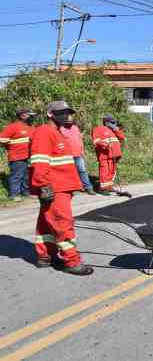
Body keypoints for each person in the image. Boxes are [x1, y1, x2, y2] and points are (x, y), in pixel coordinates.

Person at [30, 101, 93, 275]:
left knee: (45, 223)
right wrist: (43, 186)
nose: (66, 115)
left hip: (60, 187)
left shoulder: (56, 132)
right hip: (54, 188)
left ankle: (45, 256)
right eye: (62, 112)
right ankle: (71, 261)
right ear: (50, 114)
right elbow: (39, 162)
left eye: (68, 112)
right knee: (63, 224)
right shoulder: (44, 132)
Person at [0, 108, 36, 202]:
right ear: (22, 116)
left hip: (28, 156)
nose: (32, 117)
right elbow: (2, 139)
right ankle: (14, 194)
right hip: (17, 156)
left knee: (26, 175)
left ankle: (26, 193)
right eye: (30, 115)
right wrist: (12, 145)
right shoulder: (13, 127)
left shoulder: (31, 127)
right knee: (17, 175)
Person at [92, 115, 125, 196]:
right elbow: (96, 141)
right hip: (104, 155)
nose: (114, 123)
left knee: (112, 171)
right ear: (106, 122)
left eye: (114, 122)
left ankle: (109, 187)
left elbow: (122, 137)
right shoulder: (98, 129)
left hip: (115, 154)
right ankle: (103, 189)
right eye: (112, 122)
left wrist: (116, 130)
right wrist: (105, 145)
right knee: (104, 171)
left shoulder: (114, 130)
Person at [60, 122, 95, 195]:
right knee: (69, 172)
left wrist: (82, 150)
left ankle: (88, 188)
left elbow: (80, 140)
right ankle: (72, 188)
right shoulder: (61, 129)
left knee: (82, 170)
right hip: (67, 155)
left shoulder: (75, 128)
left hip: (78, 154)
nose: (70, 121)